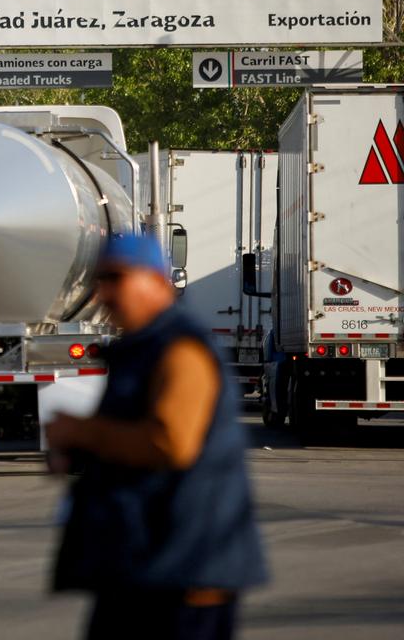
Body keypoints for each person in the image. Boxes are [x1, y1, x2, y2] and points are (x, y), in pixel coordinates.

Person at [46, 233, 268, 640]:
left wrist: (84, 432)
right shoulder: (141, 349)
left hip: (183, 572)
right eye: (100, 280)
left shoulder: (179, 350)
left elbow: (171, 443)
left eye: (117, 278)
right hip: (141, 565)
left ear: (157, 281)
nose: (105, 293)